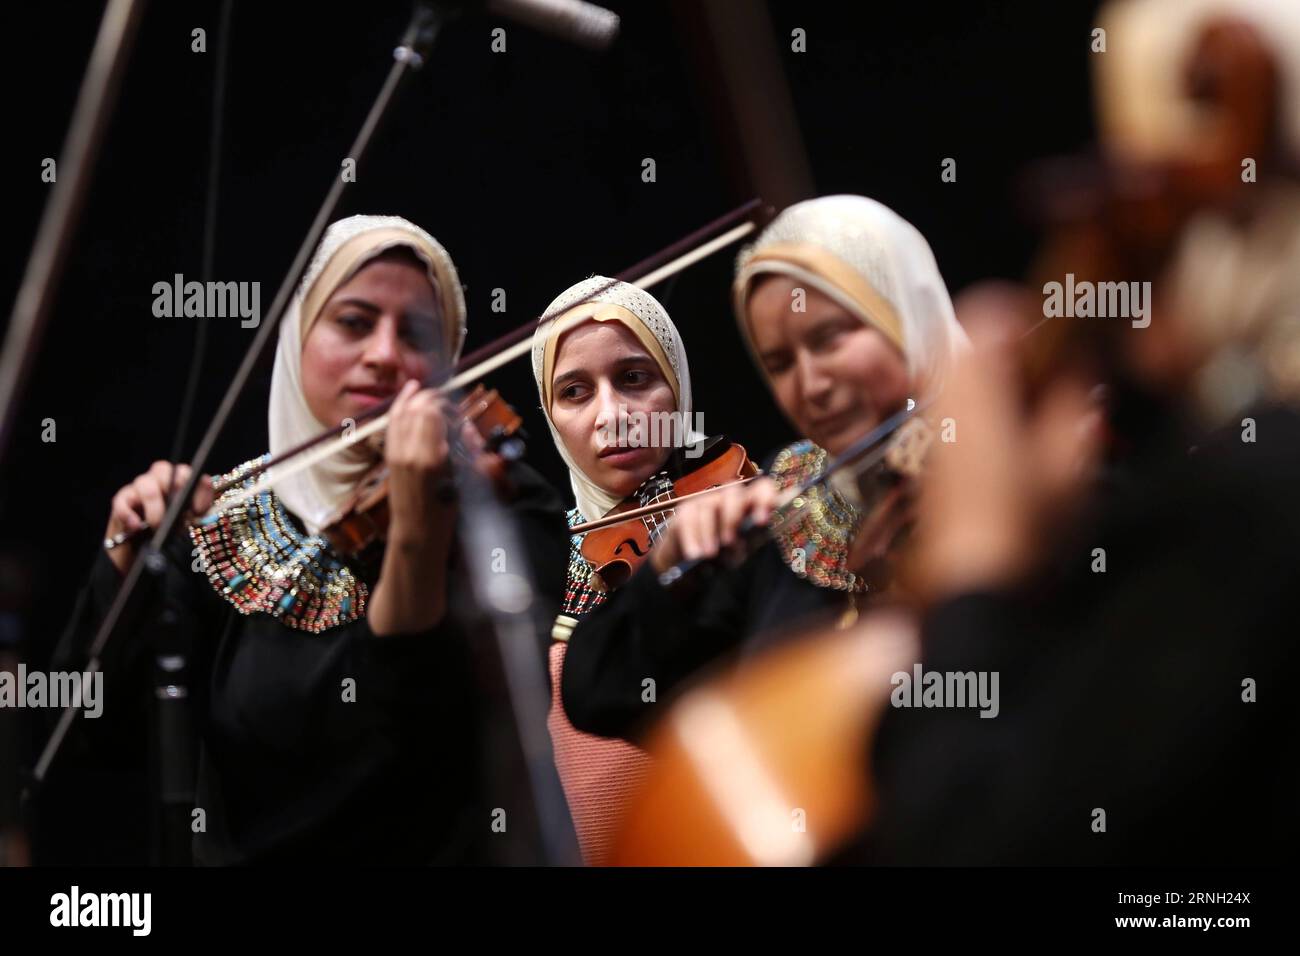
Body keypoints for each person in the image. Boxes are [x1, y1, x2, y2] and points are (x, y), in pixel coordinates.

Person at [53, 215, 568, 864]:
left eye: (416, 334)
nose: (383, 354)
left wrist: (420, 526)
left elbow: (416, 735)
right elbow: (88, 738)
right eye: (353, 322)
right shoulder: (217, 525)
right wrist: (123, 561)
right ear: (297, 336)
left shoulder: (502, 499)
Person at [560, 195, 968, 743]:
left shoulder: (1028, 472)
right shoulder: (787, 503)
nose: (813, 385)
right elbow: (596, 694)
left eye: (829, 339)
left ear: (902, 310)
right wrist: (671, 569)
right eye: (779, 363)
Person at [531, 276, 717, 864]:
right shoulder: (539, 569)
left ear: (678, 386)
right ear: (550, 415)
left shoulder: (758, 515)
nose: (613, 416)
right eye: (576, 392)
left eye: (634, 379)